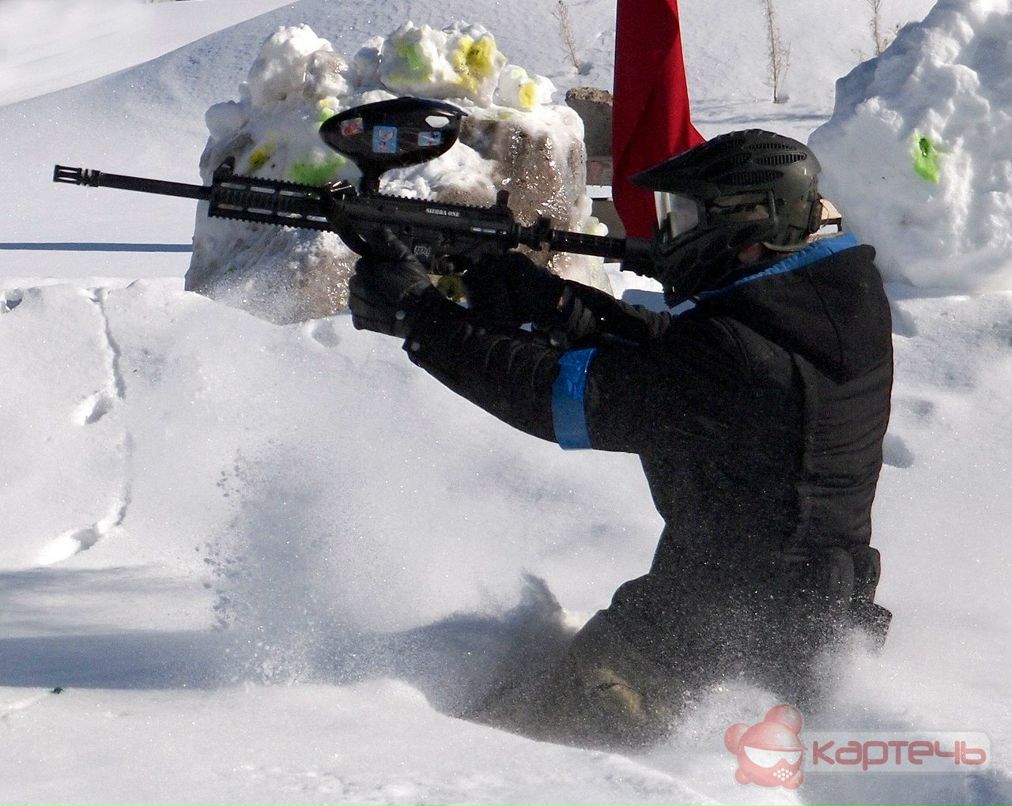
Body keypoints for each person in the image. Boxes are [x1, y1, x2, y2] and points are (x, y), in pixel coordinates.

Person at [345, 129, 894, 750]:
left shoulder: (741, 360)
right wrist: (520, 285)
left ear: (750, 226)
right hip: (793, 619)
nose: (669, 235)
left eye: (686, 217)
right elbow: (665, 354)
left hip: (703, 647)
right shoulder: (829, 301)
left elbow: (560, 396)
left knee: (484, 757)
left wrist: (421, 318)